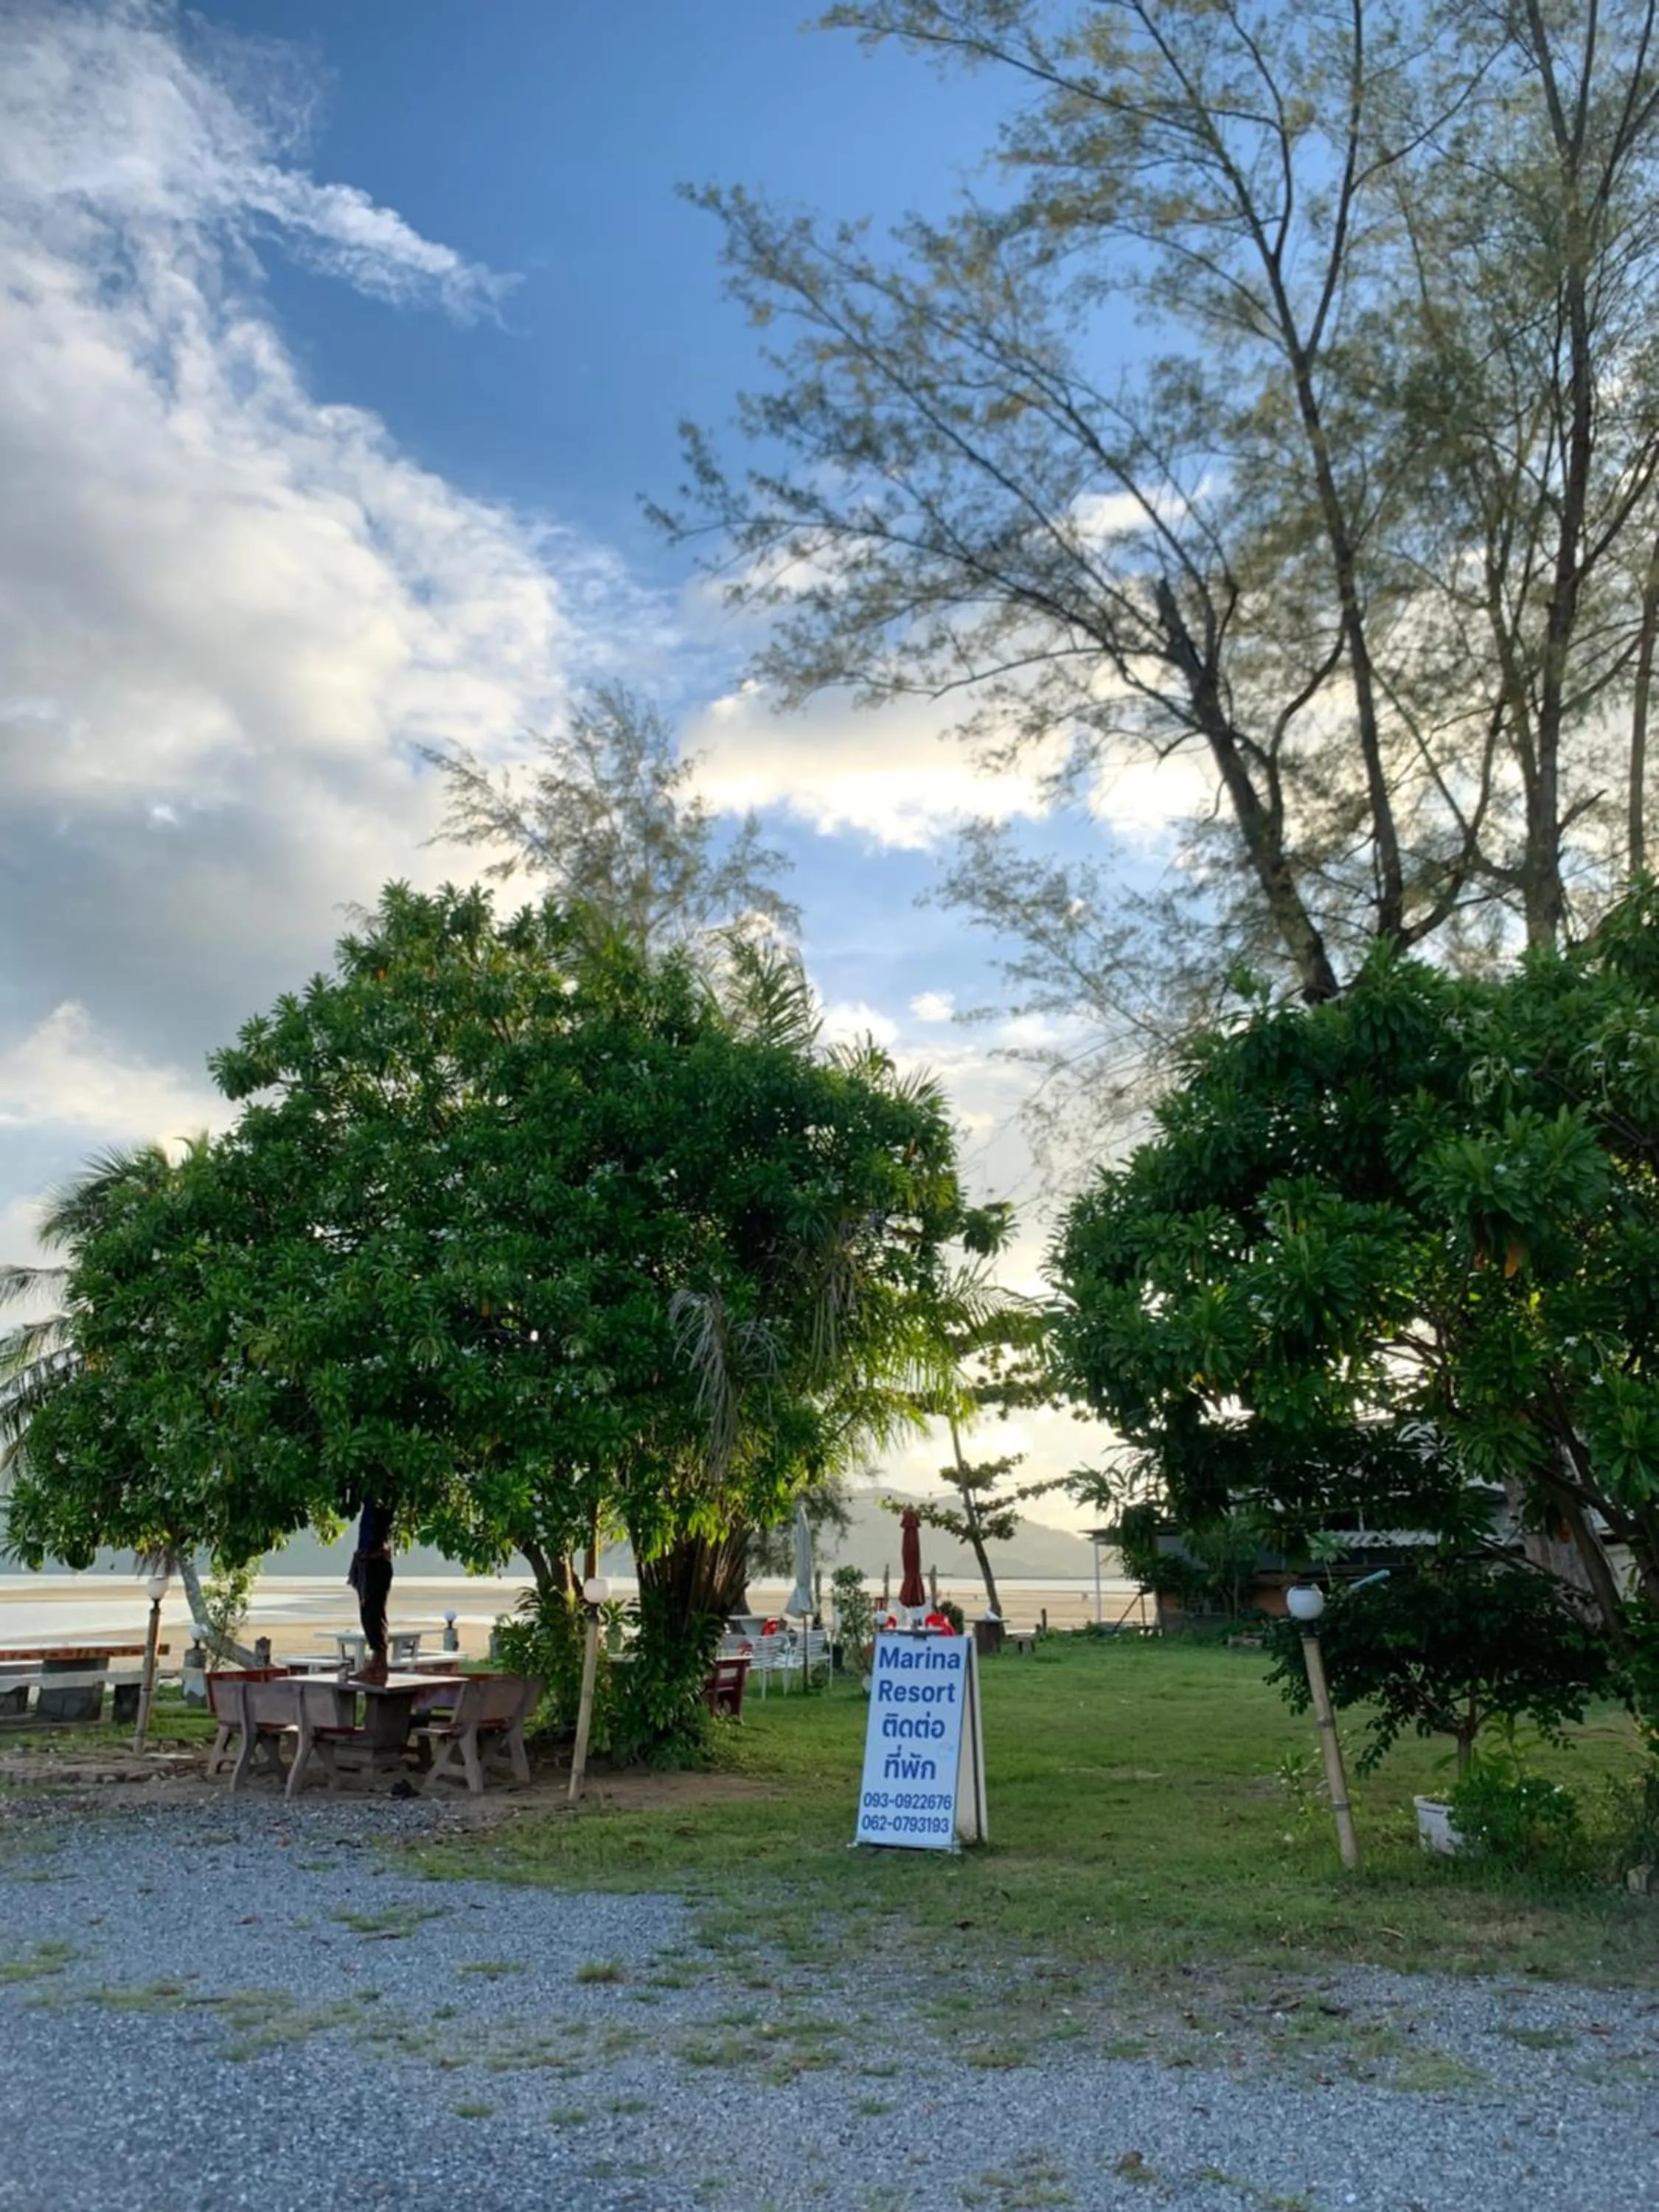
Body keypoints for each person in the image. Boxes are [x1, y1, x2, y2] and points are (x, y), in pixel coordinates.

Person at [347, 1501, 394, 1685]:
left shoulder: (383, 1495)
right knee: (369, 1614)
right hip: (370, 1562)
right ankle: (377, 1662)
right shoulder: (373, 1498)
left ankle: (378, 1663)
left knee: (373, 1613)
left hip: (375, 1564)